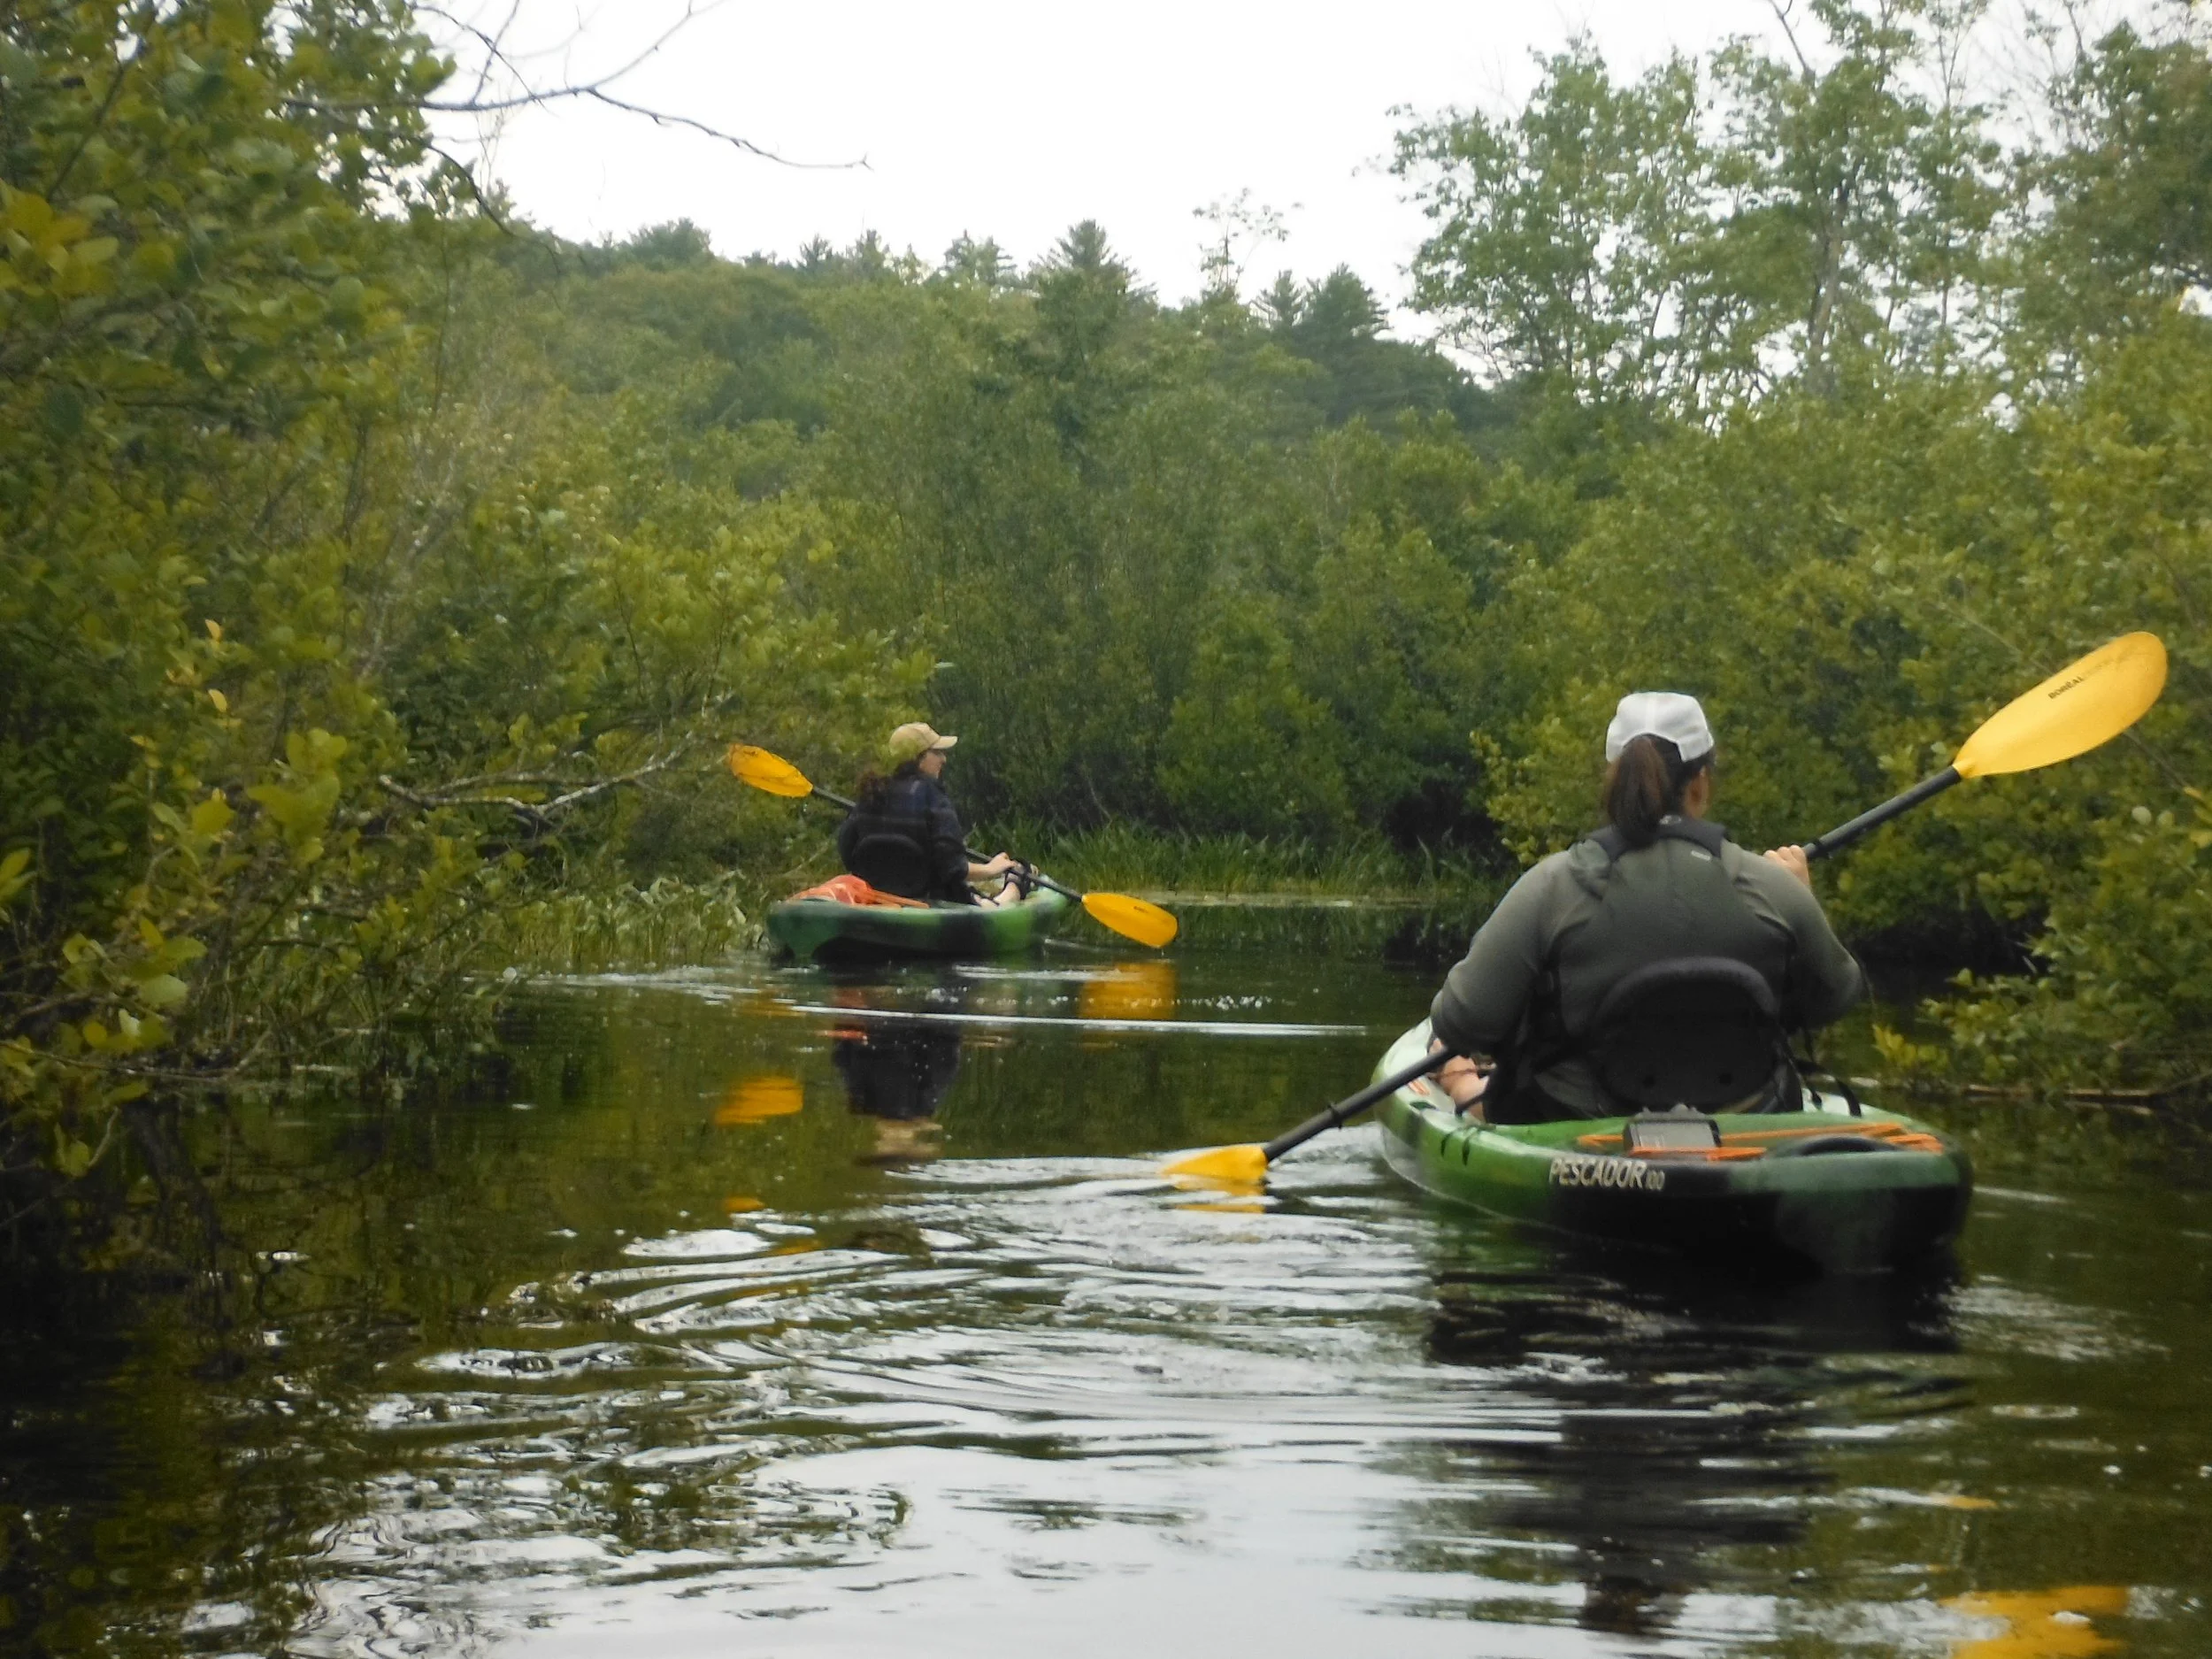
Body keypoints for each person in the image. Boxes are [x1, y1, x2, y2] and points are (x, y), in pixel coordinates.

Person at [1429, 691, 1864, 1121]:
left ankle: (1466, 1086)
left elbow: (1462, 1019)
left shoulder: (1551, 887)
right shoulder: (1775, 889)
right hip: (1747, 1112)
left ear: (1614, 777)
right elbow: (1835, 997)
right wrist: (1802, 898)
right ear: (1700, 784)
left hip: (1577, 1119)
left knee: (1464, 1065)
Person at [835, 722, 1025, 905]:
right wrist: (991, 869)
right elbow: (953, 868)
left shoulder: (871, 793)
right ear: (918, 758)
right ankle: (1015, 883)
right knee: (991, 906)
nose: (944, 759)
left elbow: (847, 851)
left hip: (877, 898)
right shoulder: (932, 795)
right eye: (937, 752)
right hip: (930, 899)